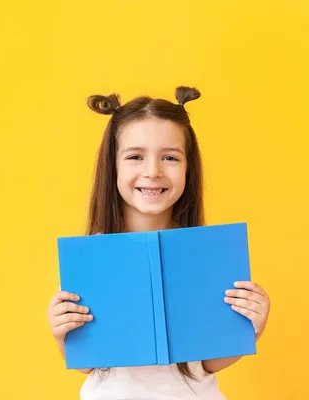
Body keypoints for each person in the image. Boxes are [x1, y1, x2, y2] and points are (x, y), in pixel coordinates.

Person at [46, 87, 271, 399]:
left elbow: (206, 364)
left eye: (170, 157)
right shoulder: (91, 256)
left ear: (189, 167)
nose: (152, 171)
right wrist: (62, 333)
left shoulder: (204, 253)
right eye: (135, 156)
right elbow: (88, 363)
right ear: (113, 165)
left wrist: (250, 328)